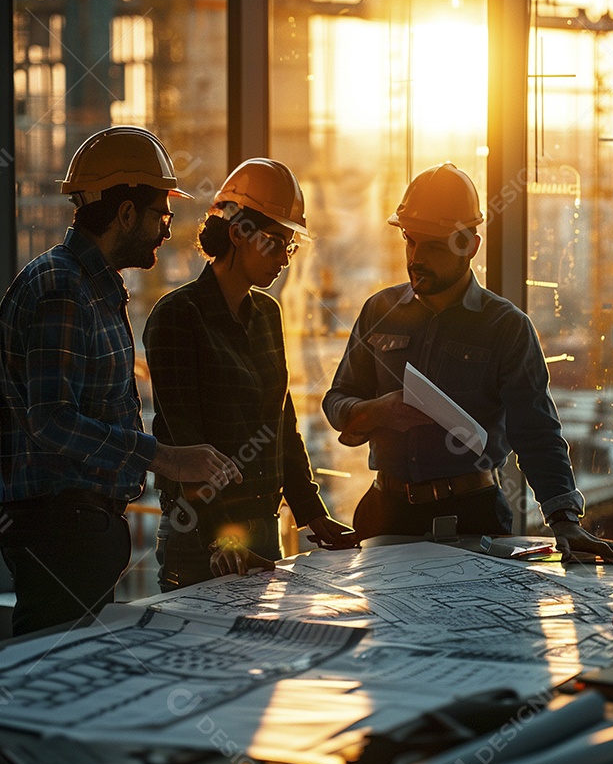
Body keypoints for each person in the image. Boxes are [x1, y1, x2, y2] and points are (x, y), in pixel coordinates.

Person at [0, 126, 241, 636]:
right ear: (126, 213)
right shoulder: (63, 288)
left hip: (80, 529)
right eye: (161, 215)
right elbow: (53, 420)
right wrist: (166, 456)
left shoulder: (92, 286)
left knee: (69, 683)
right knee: (56, 687)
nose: (167, 230)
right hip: (63, 531)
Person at [322, 162, 613, 562]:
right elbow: (337, 398)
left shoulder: (506, 328)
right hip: (385, 515)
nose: (415, 257)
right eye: (410, 241)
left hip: (471, 516)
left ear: (469, 245)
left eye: (432, 245)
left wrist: (564, 519)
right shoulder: (380, 310)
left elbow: (536, 431)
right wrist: (373, 411)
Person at [143, 157, 356, 592]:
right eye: (276, 243)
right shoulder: (178, 317)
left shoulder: (267, 314)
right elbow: (187, 443)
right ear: (239, 232)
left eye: (290, 247)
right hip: (201, 537)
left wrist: (311, 512)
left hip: (262, 528)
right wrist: (221, 538)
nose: (284, 259)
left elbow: (281, 425)